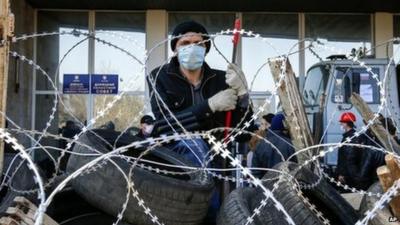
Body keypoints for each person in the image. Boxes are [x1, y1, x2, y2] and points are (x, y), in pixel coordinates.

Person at [148, 20, 253, 166]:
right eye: (185, 43)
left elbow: (245, 134)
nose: (192, 47)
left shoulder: (223, 81)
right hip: (176, 158)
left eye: (198, 43)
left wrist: (243, 94)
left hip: (218, 160)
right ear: (175, 49)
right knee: (194, 144)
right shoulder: (160, 77)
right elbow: (164, 125)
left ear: (205, 49)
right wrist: (209, 105)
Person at [252, 114, 297, 178]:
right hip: (284, 184)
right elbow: (294, 167)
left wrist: (260, 184)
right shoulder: (289, 144)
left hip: (265, 184)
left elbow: (256, 170)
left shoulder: (261, 144)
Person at [336, 112, 359, 188]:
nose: (341, 124)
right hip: (351, 172)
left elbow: (347, 158)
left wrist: (342, 174)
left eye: (342, 122)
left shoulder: (349, 138)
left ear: (346, 123)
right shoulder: (351, 136)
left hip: (349, 174)